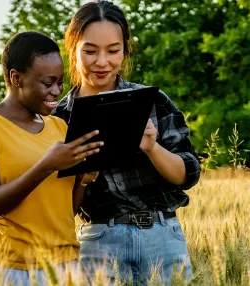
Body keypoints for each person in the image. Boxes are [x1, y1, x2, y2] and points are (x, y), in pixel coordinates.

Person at [52, 1, 201, 285]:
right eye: (90, 50)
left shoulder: (153, 101)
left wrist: (152, 148)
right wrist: (80, 180)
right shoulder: (58, 118)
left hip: (162, 238)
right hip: (99, 242)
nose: (102, 62)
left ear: (125, 49)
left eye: (113, 50)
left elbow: (188, 175)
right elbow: (58, 209)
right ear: (72, 48)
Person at [0, 31, 104, 286]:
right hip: (10, 269)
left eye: (60, 82)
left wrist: (83, 179)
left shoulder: (59, 127)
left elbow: (64, 210)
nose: (57, 91)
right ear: (16, 78)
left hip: (66, 265)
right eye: (48, 83)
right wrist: (46, 165)